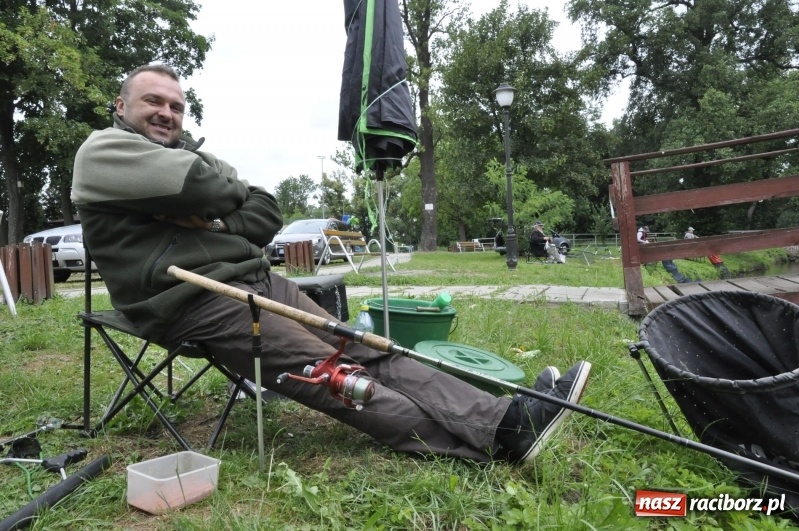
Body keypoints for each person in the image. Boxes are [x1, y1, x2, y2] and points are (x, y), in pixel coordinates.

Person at [71, 64, 591, 464]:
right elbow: (204, 185)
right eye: (153, 102)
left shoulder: (183, 156)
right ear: (121, 105)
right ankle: (493, 445)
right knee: (336, 374)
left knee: (367, 348)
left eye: (177, 107)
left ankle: (507, 416)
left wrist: (216, 221)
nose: (167, 113)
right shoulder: (103, 153)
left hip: (255, 279)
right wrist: (214, 192)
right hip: (194, 300)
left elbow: (264, 208)